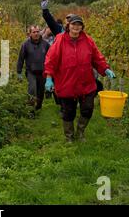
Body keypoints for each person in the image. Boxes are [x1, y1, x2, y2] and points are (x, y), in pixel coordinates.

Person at [44, 15, 116, 143]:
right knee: (68, 112)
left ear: (82, 27)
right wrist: (49, 78)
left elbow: (96, 57)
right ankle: (69, 137)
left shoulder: (88, 41)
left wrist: (105, 69)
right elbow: (51, 60)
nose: (76, 27)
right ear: (68, 26)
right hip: (66, 83)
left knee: (88, 109)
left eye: (79, 25)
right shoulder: (60, 40)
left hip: (86, 83)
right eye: (73, 24)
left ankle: (81, 132)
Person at [17, 25, 50, 118]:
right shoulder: (25, 44)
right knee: (32, 90)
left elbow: (51, 57)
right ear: (30, 34)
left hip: (43, 72)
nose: (36, 34)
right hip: (31, 72)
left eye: (37, 32)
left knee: (40, 91)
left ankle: (38, 107)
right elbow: (21, 58)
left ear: (40, 32)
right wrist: (19, 72)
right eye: (34, 32)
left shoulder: (45, 44)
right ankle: (30, 111)